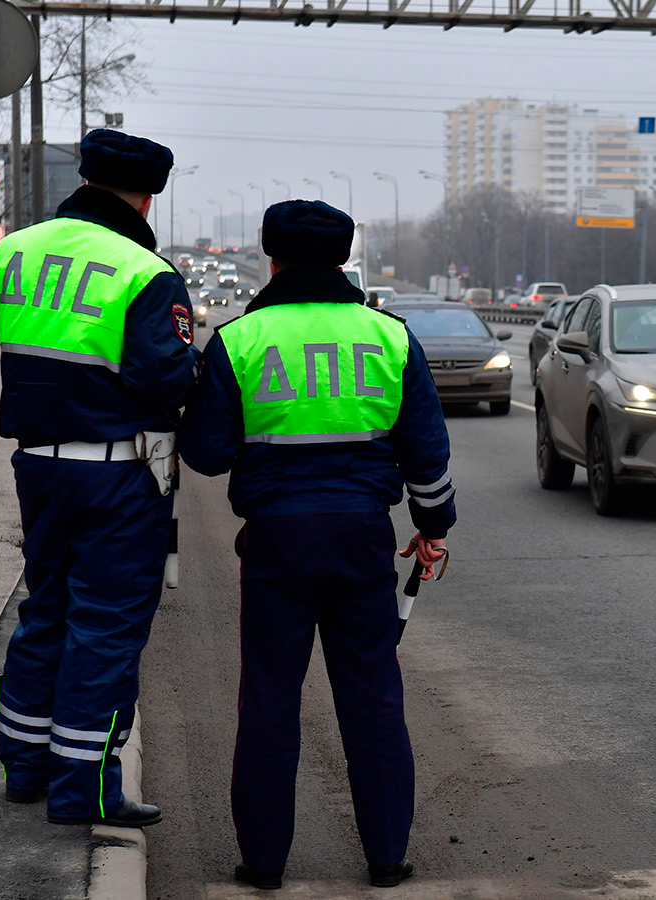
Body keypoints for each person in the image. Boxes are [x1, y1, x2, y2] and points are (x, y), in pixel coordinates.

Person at [179, 199, 455, 891]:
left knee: (269, 700)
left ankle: (264, 864)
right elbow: (426, 450)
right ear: (342, 257)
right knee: (372, 700)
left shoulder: (241, 340)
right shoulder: (389, 337)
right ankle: (387, 860)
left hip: (275, 540)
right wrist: (433, 527)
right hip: (363, 536)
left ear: (270, 257)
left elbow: (208, 456)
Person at [0, 129, 199, 828]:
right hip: (115, 477)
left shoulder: (14, 251)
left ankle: (23, 766)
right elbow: (162, 378)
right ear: (146, 198)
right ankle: (87, 791)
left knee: (44, 610)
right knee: (105, 627)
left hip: (36, 466)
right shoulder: (143, 270)